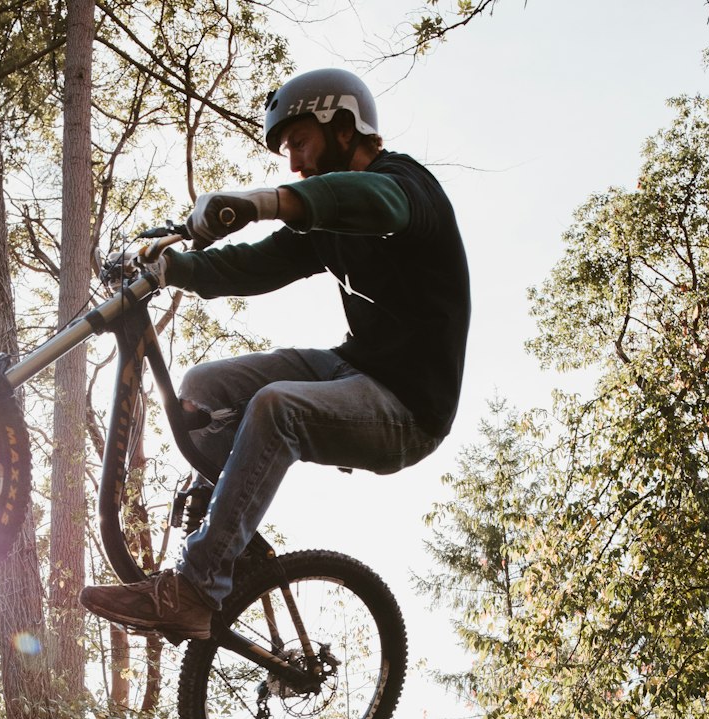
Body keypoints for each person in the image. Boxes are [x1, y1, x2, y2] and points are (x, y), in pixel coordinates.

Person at [81, 66, 470, 640]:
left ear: (344, 127)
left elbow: (377, 204)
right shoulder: (325, 225)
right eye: (288, 153)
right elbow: (254, 265)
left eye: (301, 143)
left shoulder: (403, 187)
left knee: (276, 408)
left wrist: (263, 201)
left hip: (409, 412)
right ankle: (226, 532)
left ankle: (195, 588)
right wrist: (170, 267)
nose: (294, 164)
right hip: (354, 367)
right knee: (206, 386)